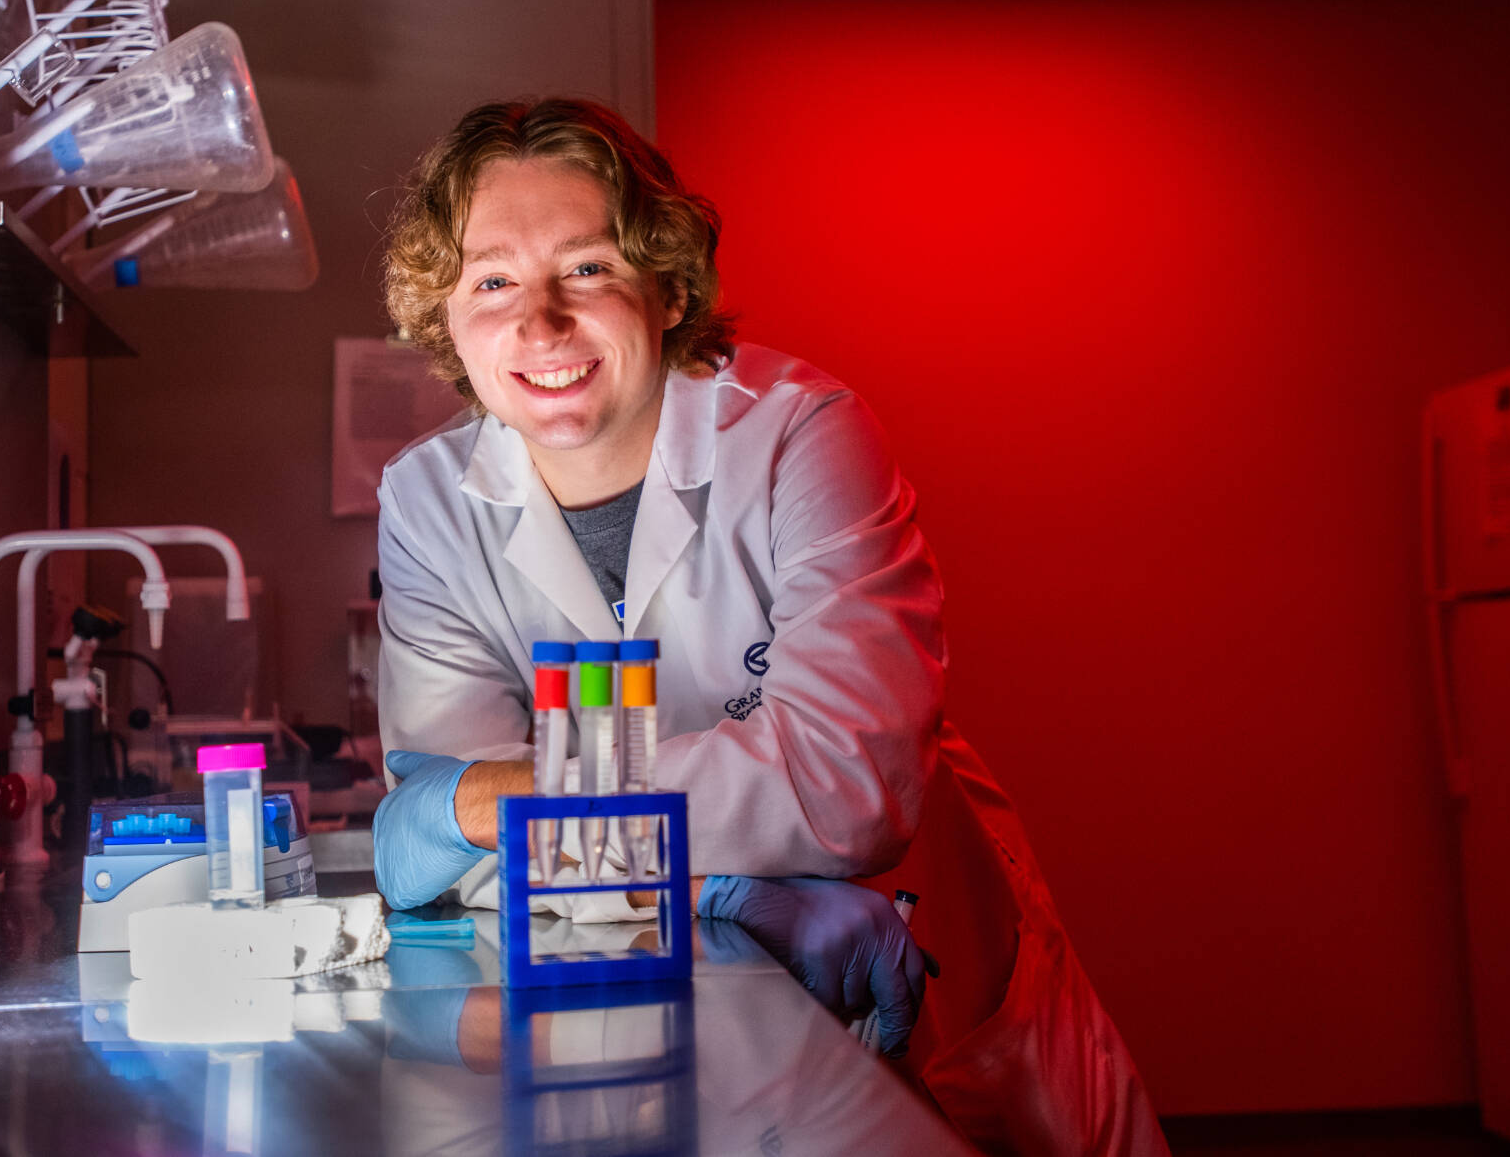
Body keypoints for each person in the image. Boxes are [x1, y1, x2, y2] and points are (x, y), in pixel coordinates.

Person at [370, 97, 1169, 1156]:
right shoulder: (428, 499)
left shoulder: (800, 435)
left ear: (663, 286)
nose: (540, 322)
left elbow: (841, 787)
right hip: (670, 1005)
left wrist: (509, 796)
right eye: (492, 280)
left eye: (589, 267)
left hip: (912, 957)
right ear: (446, 312)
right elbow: (443, 840)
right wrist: (730, 888)